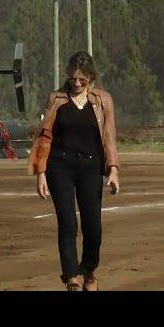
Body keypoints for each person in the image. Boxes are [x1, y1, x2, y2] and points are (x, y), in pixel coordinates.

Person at [29, 51, 120, 291]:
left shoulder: (103, 100)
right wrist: (40, 173)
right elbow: (45, 136)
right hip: (60, 166)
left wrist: (113, 168)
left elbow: (109, 136)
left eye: (82, 79)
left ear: (91, 77)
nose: (77, 84)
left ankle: (88, 270)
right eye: (72, 79)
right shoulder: (56, 99)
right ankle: (72, 277)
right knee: (68, 223)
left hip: (91, 167)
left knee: (93, 227)